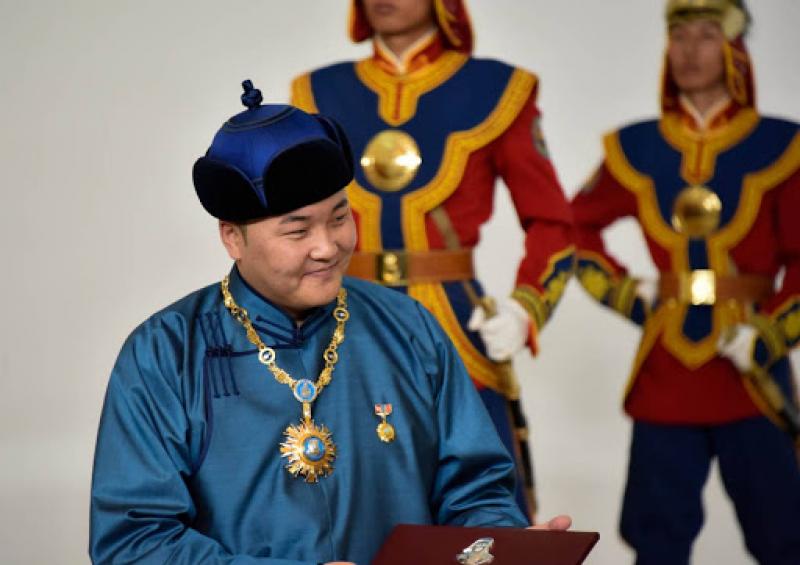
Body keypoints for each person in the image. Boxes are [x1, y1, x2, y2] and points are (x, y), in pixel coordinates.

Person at [89, 82, 570, 565]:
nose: (327, 247)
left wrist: (504, 547)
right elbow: (134, 544)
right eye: (298, 230)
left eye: (339, 218)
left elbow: (475, 491)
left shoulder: (408, 328)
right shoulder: (165, 353)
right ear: (233, 237)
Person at [291, 0, 574, 519]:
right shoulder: (318, 92)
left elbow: (553, 223)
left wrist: (526, 307)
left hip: (454, 322)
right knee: (337, 491)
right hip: (336, 318)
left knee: (480, 496)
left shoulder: (497, 89)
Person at [571, 1, 800, 563]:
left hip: (751, 371)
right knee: (656, 538)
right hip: (667, 370)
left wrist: (770, 334)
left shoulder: (783, 145)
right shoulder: (636, 146)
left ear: (734, 50)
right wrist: (628, 295)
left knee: (784, 534)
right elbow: (573, 230)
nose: (690, 51)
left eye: (706, 36)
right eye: (679, 37)